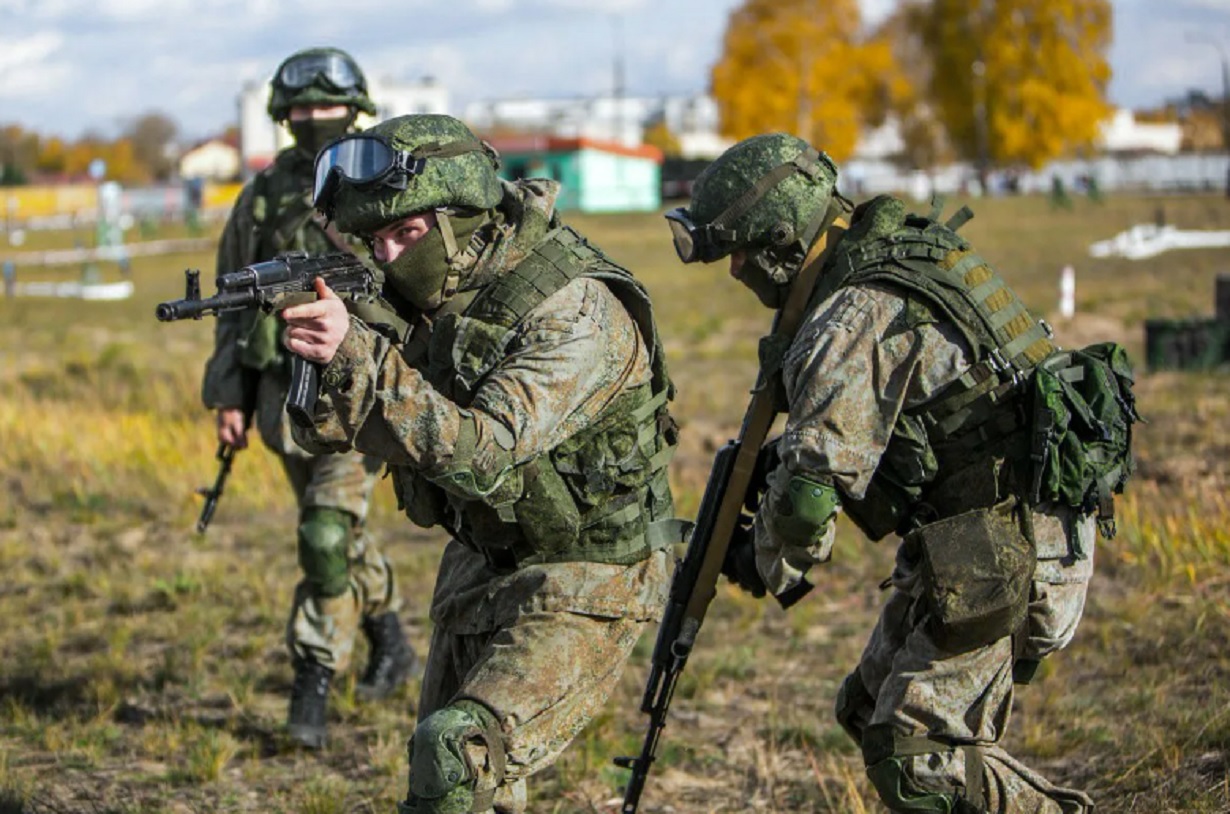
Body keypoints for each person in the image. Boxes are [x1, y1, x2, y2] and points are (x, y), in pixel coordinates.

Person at [664, 133, 1136, 813]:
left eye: (738, 252)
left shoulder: (847, 318)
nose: (735, 271)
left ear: (779, 239)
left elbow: (806, 503)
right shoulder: (888, 256)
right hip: (988, 535)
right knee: (866, 709)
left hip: (1015, 547)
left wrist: (758, 557)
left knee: (915, 758)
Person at [281, 113, 685, 813]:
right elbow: (324, 436)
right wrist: (328, 368)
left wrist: (366, 359)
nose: (387, 258)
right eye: (374, 241)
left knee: (456, 756)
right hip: (483, 556)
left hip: (588, 570)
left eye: (404, 234)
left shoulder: (574, 310)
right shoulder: (434, 296)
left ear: (461, 220)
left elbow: (484, 452)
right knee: (467, 789)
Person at [200, 47, 418, 750]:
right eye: (300, 108)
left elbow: (417, 280)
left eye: (327, 106)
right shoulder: (262, 195)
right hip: (284, 404)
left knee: (325, 534)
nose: (313, 117)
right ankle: (390, 637)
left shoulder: (381, 182)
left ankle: (313, 683)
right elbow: (233, 303)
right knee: (338, 533)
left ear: (354, 110)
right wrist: (228, 396)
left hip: (360, 394)